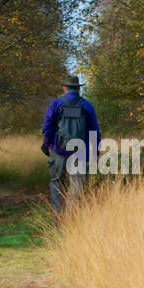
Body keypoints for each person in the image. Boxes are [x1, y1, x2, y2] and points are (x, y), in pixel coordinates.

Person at [41, 74, 100, 214]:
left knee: (57, 182)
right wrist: (95, 152)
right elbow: (94, 130)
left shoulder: (56, 103)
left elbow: (47, 126)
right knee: (78, 185)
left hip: (59, 150)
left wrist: (48, 143)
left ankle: (58, 215)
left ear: (64, 88)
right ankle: (72, 215)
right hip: (80, 152)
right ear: (78, 89)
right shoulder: (86, 105)